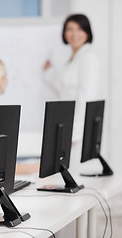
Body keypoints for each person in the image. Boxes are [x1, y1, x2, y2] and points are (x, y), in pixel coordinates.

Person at [43, 14, 102, 166]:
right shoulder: (73, 58)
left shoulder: (88, 58)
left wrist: (74, 135)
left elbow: (86, 98)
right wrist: (49, 72)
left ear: (87, 32)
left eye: (79, 29)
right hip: (67, 126)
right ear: (64, 33)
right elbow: (64, 90)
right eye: (70, 29)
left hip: (78, 132)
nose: (74, 34)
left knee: (75, 172)